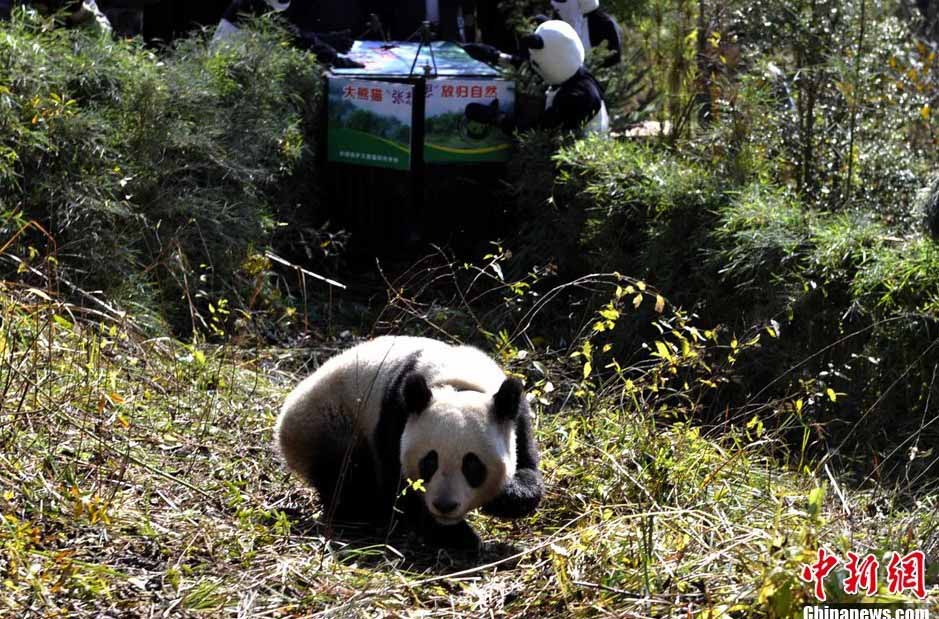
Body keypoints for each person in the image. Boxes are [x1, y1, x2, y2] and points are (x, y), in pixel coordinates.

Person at [212, 0, 363, 68]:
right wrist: (336, 59)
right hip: (230, 71)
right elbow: (295, 38)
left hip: (236, 66)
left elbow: (292, 32)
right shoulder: (251, 5)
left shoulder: (253, 4)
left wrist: (329, 40)